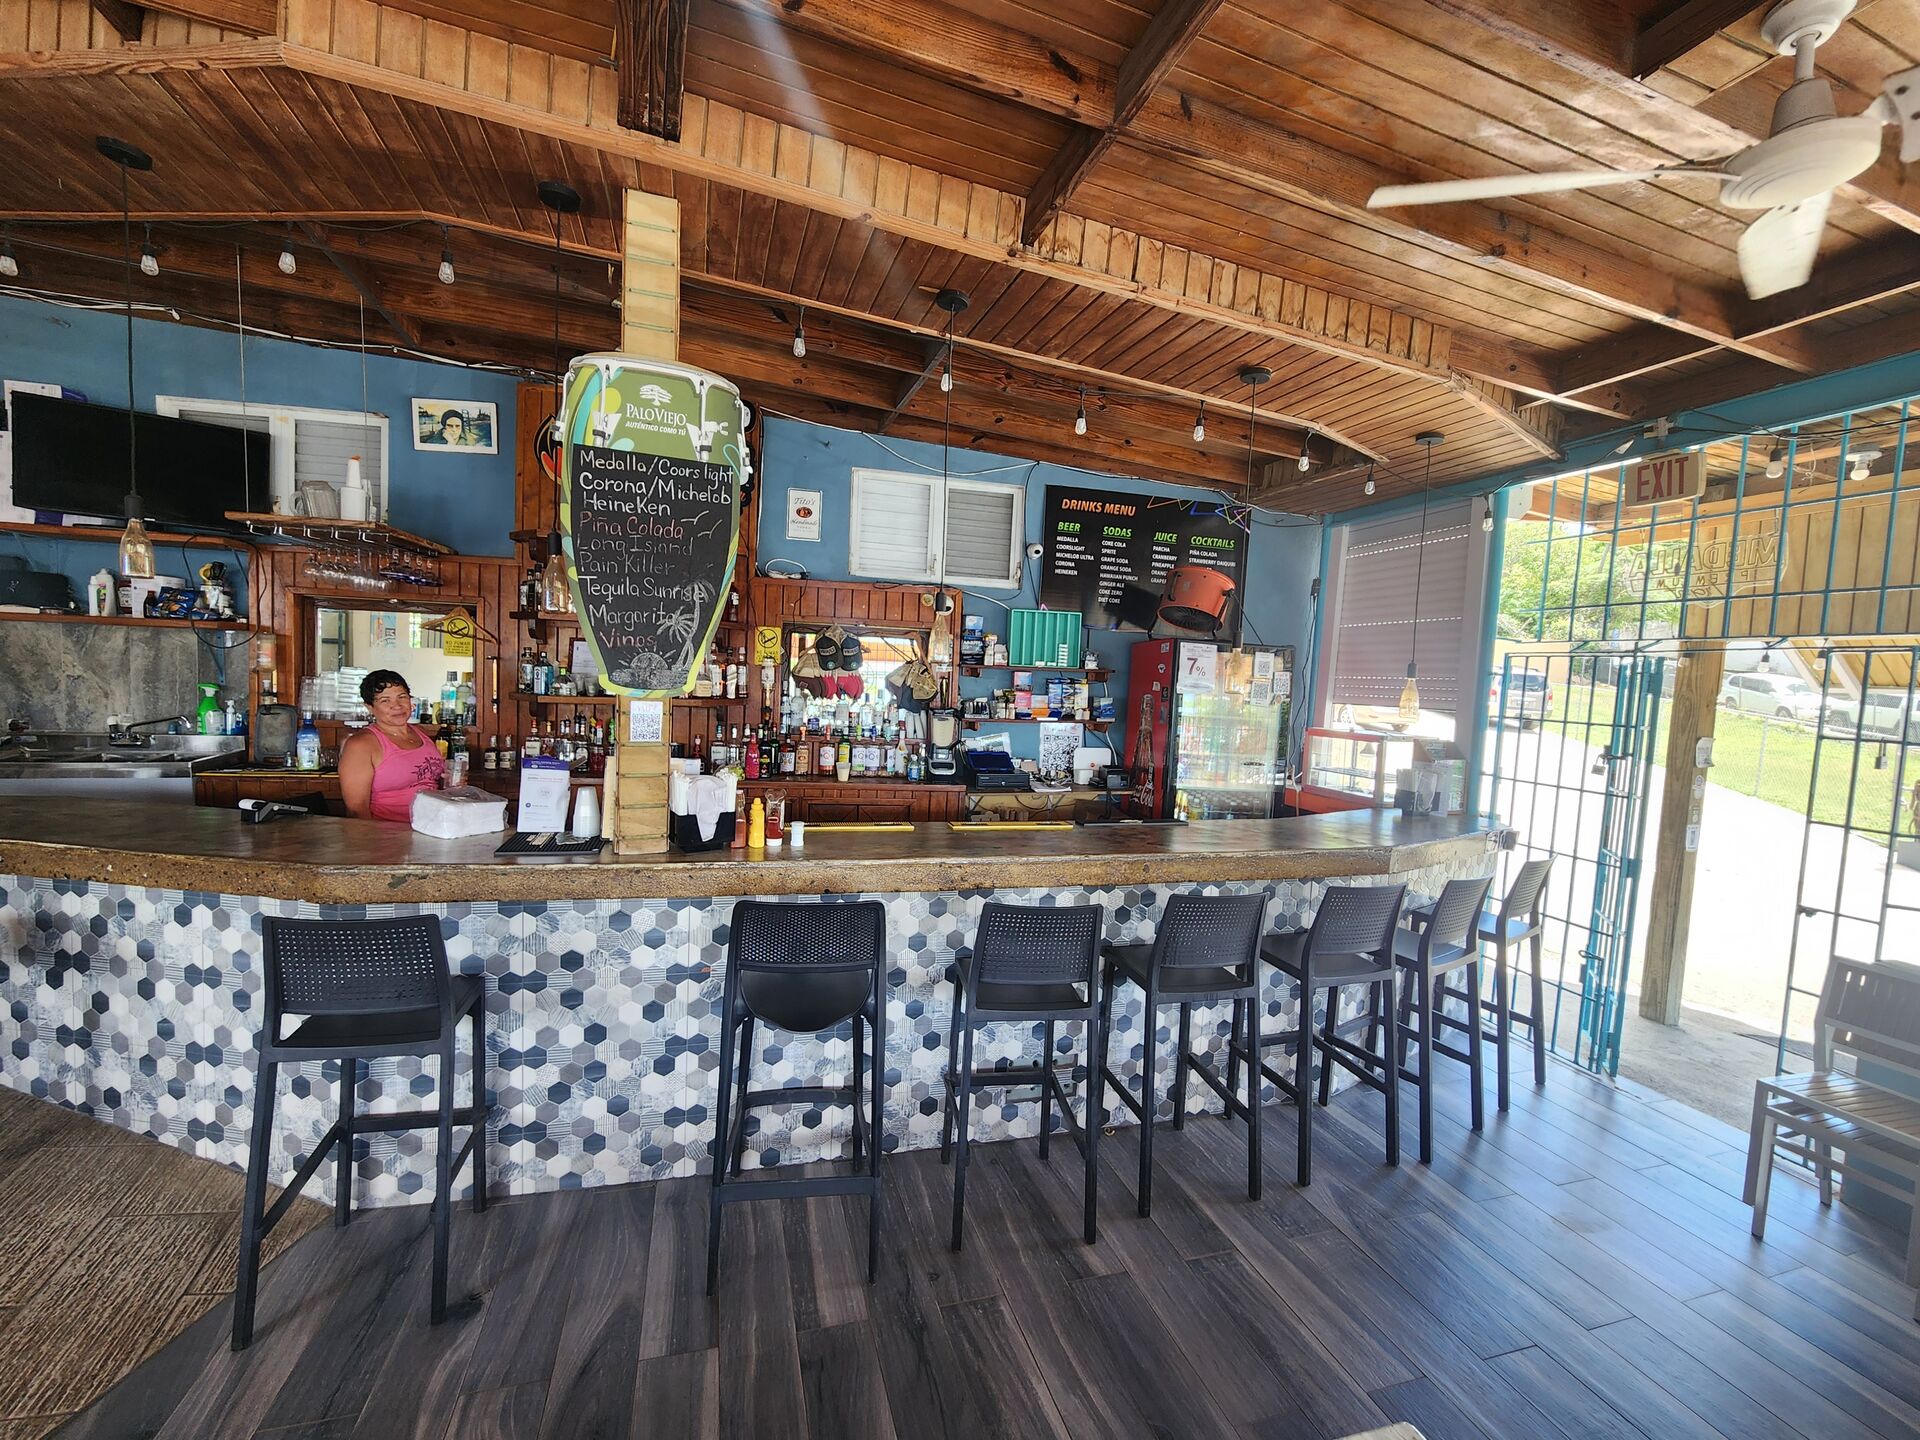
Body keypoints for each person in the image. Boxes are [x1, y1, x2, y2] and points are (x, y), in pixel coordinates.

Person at [339, 669, 446, 823]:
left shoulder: (420, 733)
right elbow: (356, 809)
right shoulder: (361, 745)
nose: (397, 706)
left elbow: (428, 781)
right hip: (388, 837)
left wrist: (449, 781)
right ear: (369, 707)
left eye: (402, 697)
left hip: (433, 828)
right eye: (385, 700)